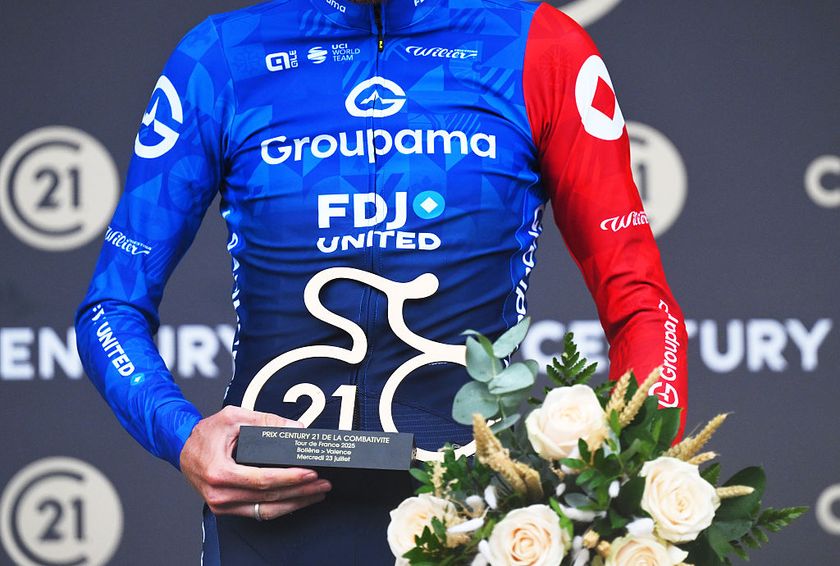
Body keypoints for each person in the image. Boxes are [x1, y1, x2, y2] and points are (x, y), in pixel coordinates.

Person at [75, 0, 688, 563]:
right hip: (269, 513)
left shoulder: (538, 46)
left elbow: (642, 305)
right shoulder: (224, 55)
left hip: (484, 521)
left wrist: (631, 477)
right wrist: (184, 437)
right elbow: (110, 308)